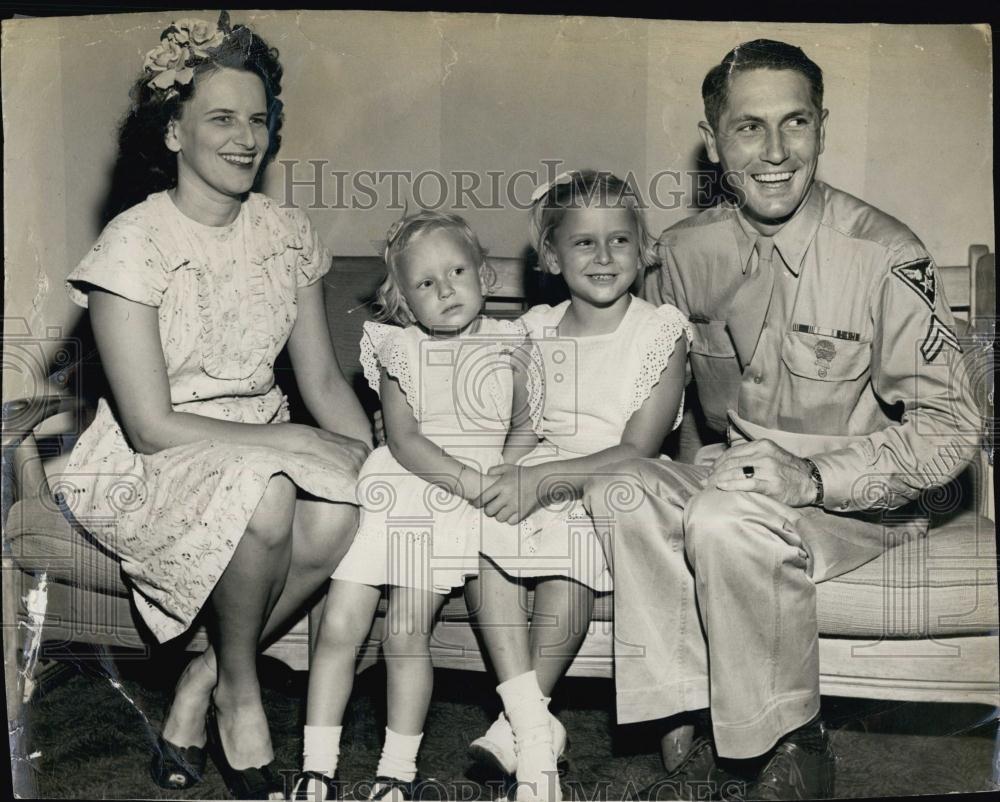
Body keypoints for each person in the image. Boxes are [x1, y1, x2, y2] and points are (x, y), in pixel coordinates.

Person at [583, 40, 978, 800]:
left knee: (726, 522)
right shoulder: (683, 252)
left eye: (795, 124)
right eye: (748, 128)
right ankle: (695, 733)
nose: (774, 152)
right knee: (625, 491)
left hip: (860, 504)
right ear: (713, 140)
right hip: (738, 479)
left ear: (822, 128)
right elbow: (660, 394)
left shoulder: (886, 254)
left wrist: (813, 476)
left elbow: (954, 425)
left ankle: (797, 741)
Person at [62, 13, 372, 800]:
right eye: (221, 119)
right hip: (146, 457)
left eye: (258, 119)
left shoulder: (286, 231)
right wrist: (292, 446)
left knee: (343, 509)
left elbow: (324, 381)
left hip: (259, 433)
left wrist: (374, 462)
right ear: (173, 132)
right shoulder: (133, 245)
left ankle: (201, 680)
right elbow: (149, 422)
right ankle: (243, 693)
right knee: (267, 496)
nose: (245, 139)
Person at [470, 170, 691, 802]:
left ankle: (522, 724)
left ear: (643, 249)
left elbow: (635, 450)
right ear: (551, 255)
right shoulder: (534, 330)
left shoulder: (658, 333)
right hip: (543, 470)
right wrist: (499, 476)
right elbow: (519, 427)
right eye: (584, 243)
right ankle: (534, 729)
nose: (603, 257)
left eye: (619, 240)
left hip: (617, 487)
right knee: (483, 532)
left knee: (573, 542)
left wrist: (542, 480)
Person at [293, 210, 528, 802]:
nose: (446, 289)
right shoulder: (397, 348)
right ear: (403, 301)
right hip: (402, 487)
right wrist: (469, 480)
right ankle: (316, 766)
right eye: (426, 283)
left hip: (451, 511)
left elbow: (527, 424)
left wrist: (508, 472)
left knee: (404, 635)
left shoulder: (515, 343)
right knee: (339, 626)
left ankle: (395, 772)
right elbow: (404, 440)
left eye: (456, 271)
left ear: (485, 275)